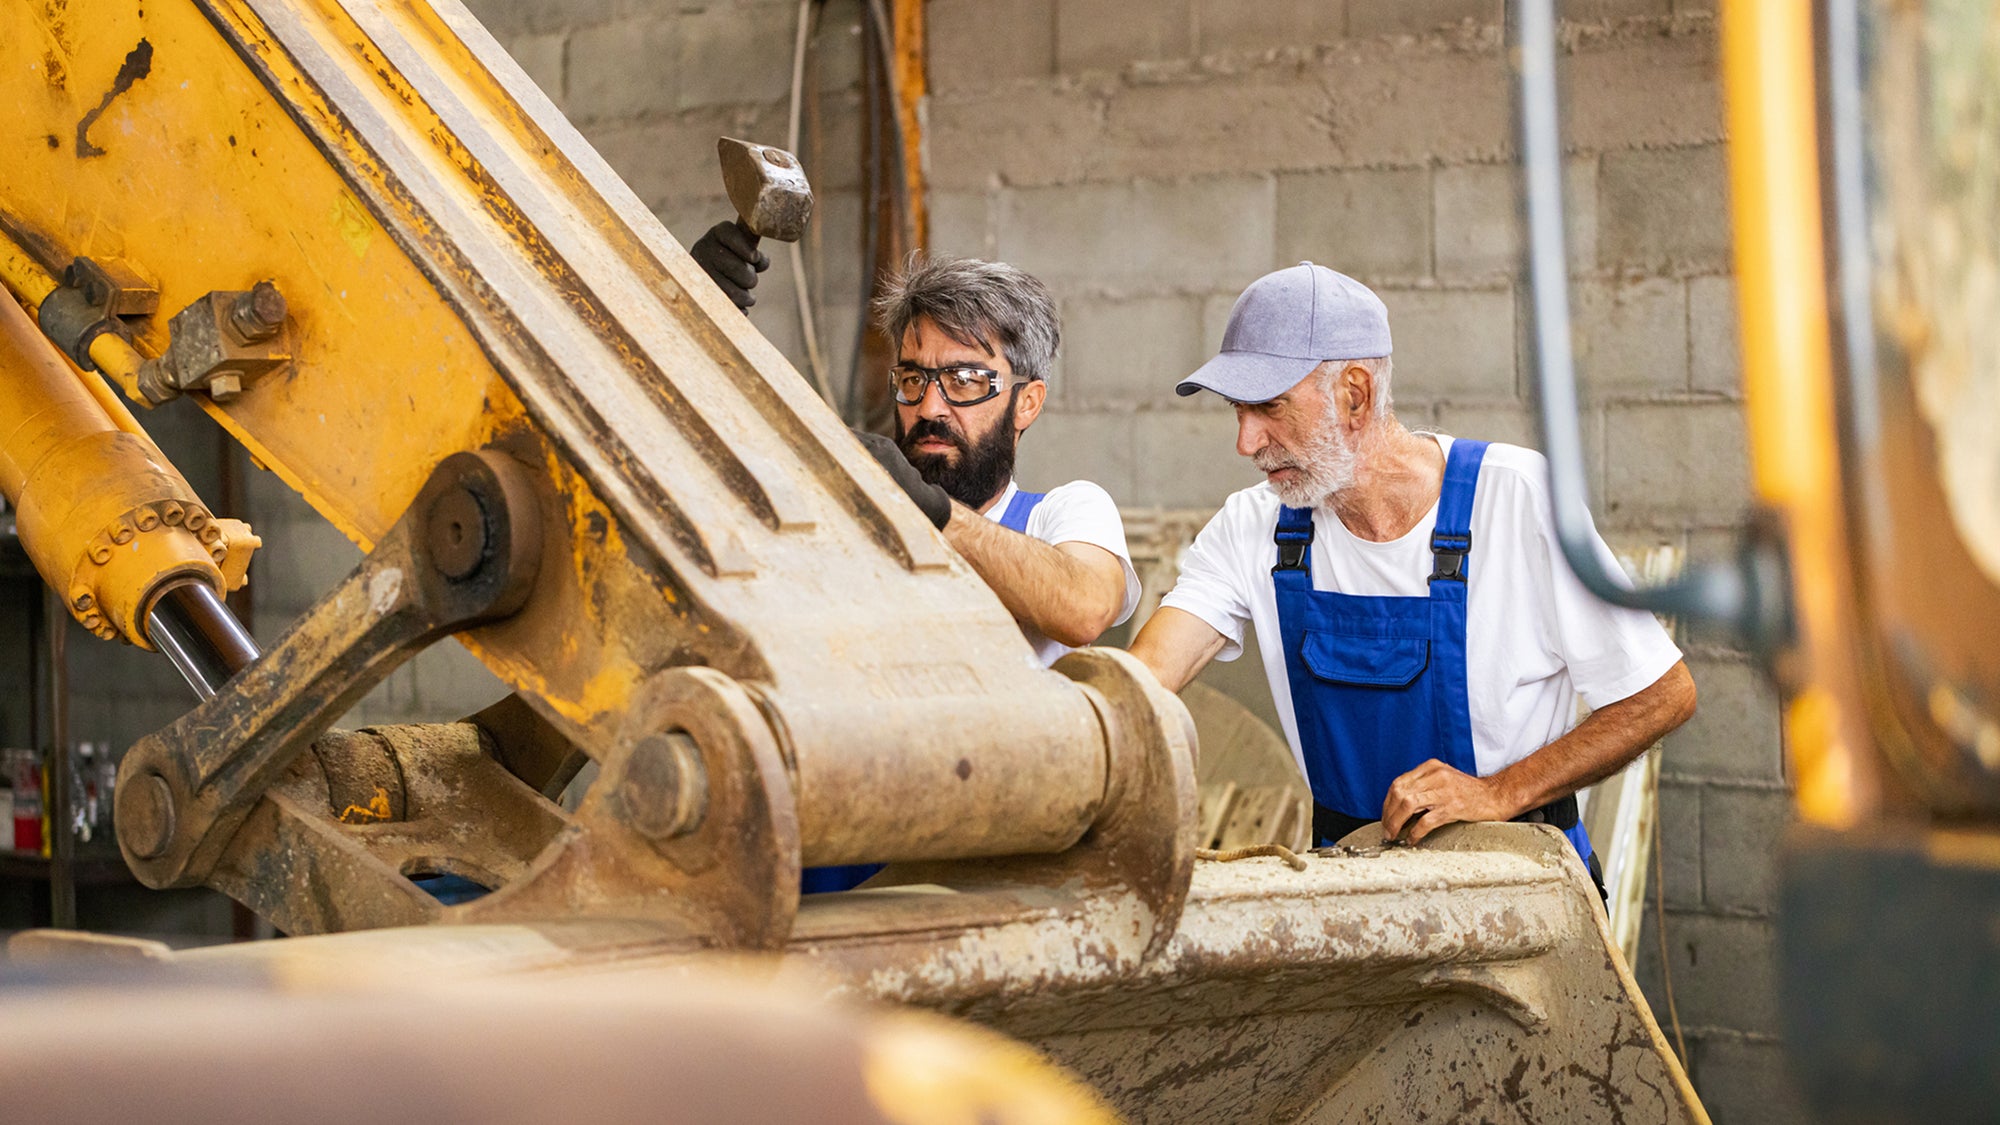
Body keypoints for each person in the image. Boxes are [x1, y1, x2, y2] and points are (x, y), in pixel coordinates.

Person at [1128, 262, 1696, 884]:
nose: (1246, 441)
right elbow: (1148, 678)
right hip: (1349, 896)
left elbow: (1660, 695)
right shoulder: (1253, 527)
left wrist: (1500, 793)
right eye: (1237, 410)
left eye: (1269, 406)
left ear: (1355, 394)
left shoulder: (1514, 498)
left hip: (1520, 887)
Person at [692, 229, 1141, 890]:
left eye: (965, 380)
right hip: (817, 861)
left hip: (967, 882)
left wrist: (928, 511)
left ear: (1027, 402)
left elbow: (1081, 605)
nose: (930, 407)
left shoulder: (1063, 513)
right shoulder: (841, 523)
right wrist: (691, 329)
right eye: (912, 378)